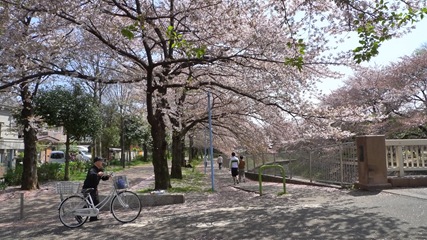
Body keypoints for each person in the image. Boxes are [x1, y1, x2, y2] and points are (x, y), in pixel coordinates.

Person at [82, 156, 110, 222]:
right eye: (101, 161)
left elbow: (103, 178)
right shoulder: (92, 169)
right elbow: (92, 174)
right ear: (97, 162)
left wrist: (107, 176)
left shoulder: (100, 169)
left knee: (96, 203)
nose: (102, 163)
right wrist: (97, 174)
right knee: (89, 205)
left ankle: (93, 218)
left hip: (94, 189)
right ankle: (79, 215)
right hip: (88, 189)